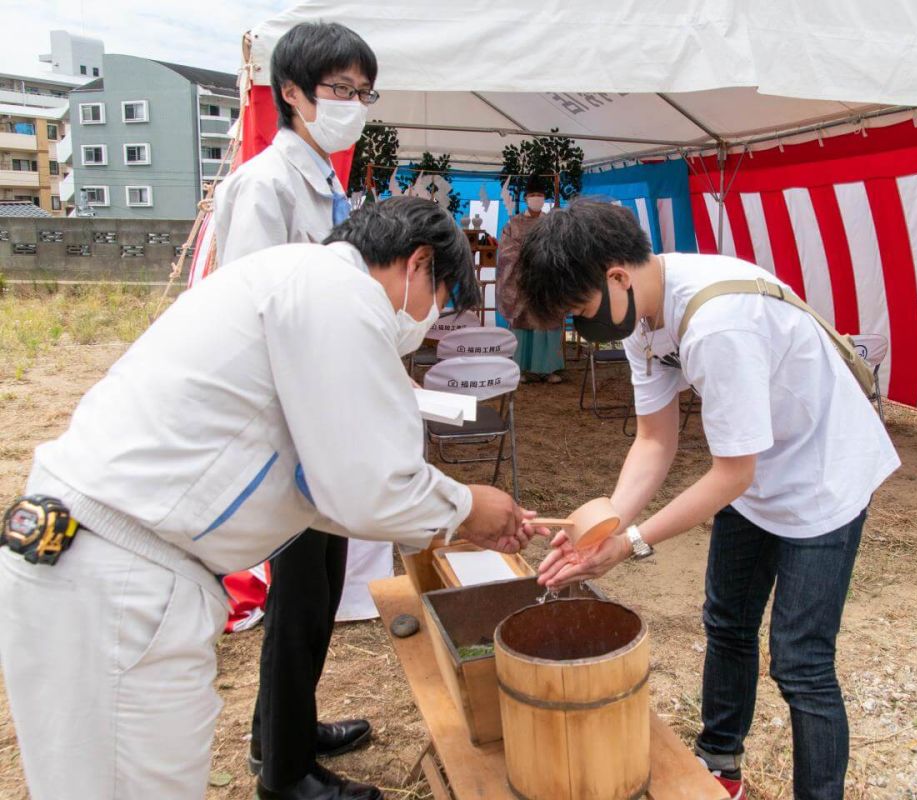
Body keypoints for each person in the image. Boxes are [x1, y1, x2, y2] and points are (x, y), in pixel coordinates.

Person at [0, 198, 544, 800]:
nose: (429, 318)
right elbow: (370, 484)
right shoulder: (339, 294)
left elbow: (326, 482)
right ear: (418, 263)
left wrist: (452, 514)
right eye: (438, 299)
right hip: (118, 576)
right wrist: (467, 506)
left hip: (106, 562)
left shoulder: (302, 280)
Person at [513, 200, 901, 800]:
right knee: (727, 623)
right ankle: (721, 764)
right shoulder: (641, 315)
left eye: (578, 310)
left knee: (801, 663)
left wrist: (632, 543)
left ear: (616, 275)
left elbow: (730, 474)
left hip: (823, 473)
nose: (581, 324)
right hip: (760, 471)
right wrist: (603, 526)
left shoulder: (717, 320)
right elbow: (654, 439)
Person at [211, 21, 395, 798]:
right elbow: (255, 314)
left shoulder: (324, 178)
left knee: (318, 591)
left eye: (362, 93)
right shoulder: (267, 184)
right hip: (290, 429)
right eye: (338, 91)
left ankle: (283, 728)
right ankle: (284, 774)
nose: (353, 105)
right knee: (300, 601)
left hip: (323, 422)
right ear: (290, 91)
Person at [496, 182, 565, 383]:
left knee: (547, 322)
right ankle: (521, 368)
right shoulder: (514, 224)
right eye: (533, 194)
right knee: (523, 322)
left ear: (545, 198)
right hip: (522, 281)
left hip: (548, 280)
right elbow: (506, 251)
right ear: (526, 199)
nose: (537, 198)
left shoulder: (553, 222)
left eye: (540, 194)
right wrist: (530, 256)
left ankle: (548, 368)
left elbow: (562, 246)